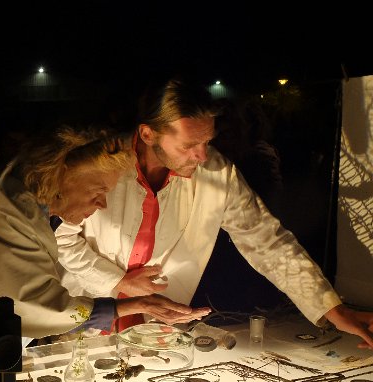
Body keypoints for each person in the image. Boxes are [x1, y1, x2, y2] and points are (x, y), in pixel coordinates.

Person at [54, 76, 373, 348]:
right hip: (86, 318)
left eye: (207, 141)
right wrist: (118, 280)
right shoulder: (100, 164)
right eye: (188, 145)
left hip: (157, 330)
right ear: (148, 134)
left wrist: (331, 309)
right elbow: (60, 238)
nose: (202, 156)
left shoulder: (216, 174)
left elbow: (267, 242)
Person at [0, 125, 211, 369]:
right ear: (63, 174)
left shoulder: (32, 205)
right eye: (98, 190)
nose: (102, 204)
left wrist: (137, 303)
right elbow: (38, 305)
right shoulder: (7, 213)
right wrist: (135, 304)